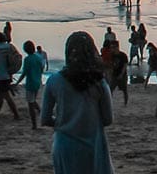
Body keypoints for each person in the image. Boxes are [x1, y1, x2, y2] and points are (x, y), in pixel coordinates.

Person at [41, 31, 114, 174]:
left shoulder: (54, 81)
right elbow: (108, 119)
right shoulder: (99, 82)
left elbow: (45, 119)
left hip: (64, 146)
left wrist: (64, 122)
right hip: (93, 146)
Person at [0, 32, 21, 119]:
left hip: (0, 76)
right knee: (1, 96)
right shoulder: (10, 47)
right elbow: (18, 57)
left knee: (6, 96)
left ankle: (16, 114)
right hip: (9, 74)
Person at [16, 40, 45, 130]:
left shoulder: (27, 59)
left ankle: (34, 125)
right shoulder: (38, 58)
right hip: (38, 82)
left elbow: (24, 73)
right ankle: (40, 110)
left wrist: (17, 82)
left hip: (30, 83)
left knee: (30, 104)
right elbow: (41, 69)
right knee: (33, 100)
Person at [107, 40, 129, 105]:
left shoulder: (123, 55)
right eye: (111, 47)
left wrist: (121, 74)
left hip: (122, 75)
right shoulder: (112, 55)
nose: (111, 49)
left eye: (113, 47)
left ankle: (125, 103)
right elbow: (111, 65)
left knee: (124, 90)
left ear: (117, 47)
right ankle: (109, 102)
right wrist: (110, 74)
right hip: (114, 75)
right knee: (110, 89)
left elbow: (125, 66)